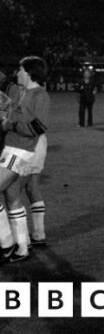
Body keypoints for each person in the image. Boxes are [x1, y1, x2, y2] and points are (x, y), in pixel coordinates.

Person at [0, 56, 50, 263]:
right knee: (12, 196)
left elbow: (39, 127)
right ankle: (22, 248)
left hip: (20, 153)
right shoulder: (20, 92)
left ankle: (6, 242)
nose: (17, 73)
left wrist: (11, 125)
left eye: (20, 70)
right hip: (10, 150)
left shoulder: (40, 95)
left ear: (29, 73)